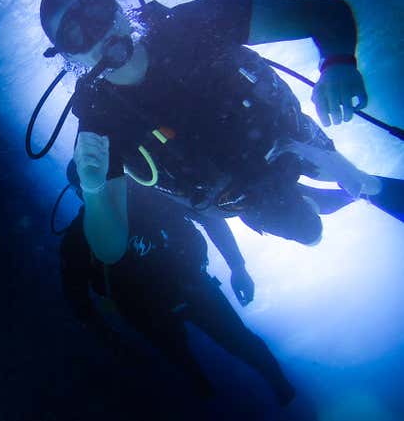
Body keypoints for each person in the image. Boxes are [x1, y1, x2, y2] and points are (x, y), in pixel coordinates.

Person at [39, 0, 384, 263]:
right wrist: (95, 188)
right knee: (310, 233)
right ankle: (319, 199)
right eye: (74, 34)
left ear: (118, 5)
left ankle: (361, 186)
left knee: (359, 181)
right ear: (68, 57)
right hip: (238, 195)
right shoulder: (101, 121)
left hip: (289, 136)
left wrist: (338, 64)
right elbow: (110, 249)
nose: (98, 34)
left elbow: (326, 13)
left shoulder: (194, 24)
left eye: (98, 11)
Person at [59, 161, 295, 405]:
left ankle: (280, 389)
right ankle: (205, 393)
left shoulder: (151, 194)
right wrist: (112, 340)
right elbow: (77, 299)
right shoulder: (80, 238)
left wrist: (238, 266)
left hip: (189, 285)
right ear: (80, 193)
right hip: (148, 310)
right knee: (189, 362)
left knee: (239, 342)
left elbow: (210, 216)